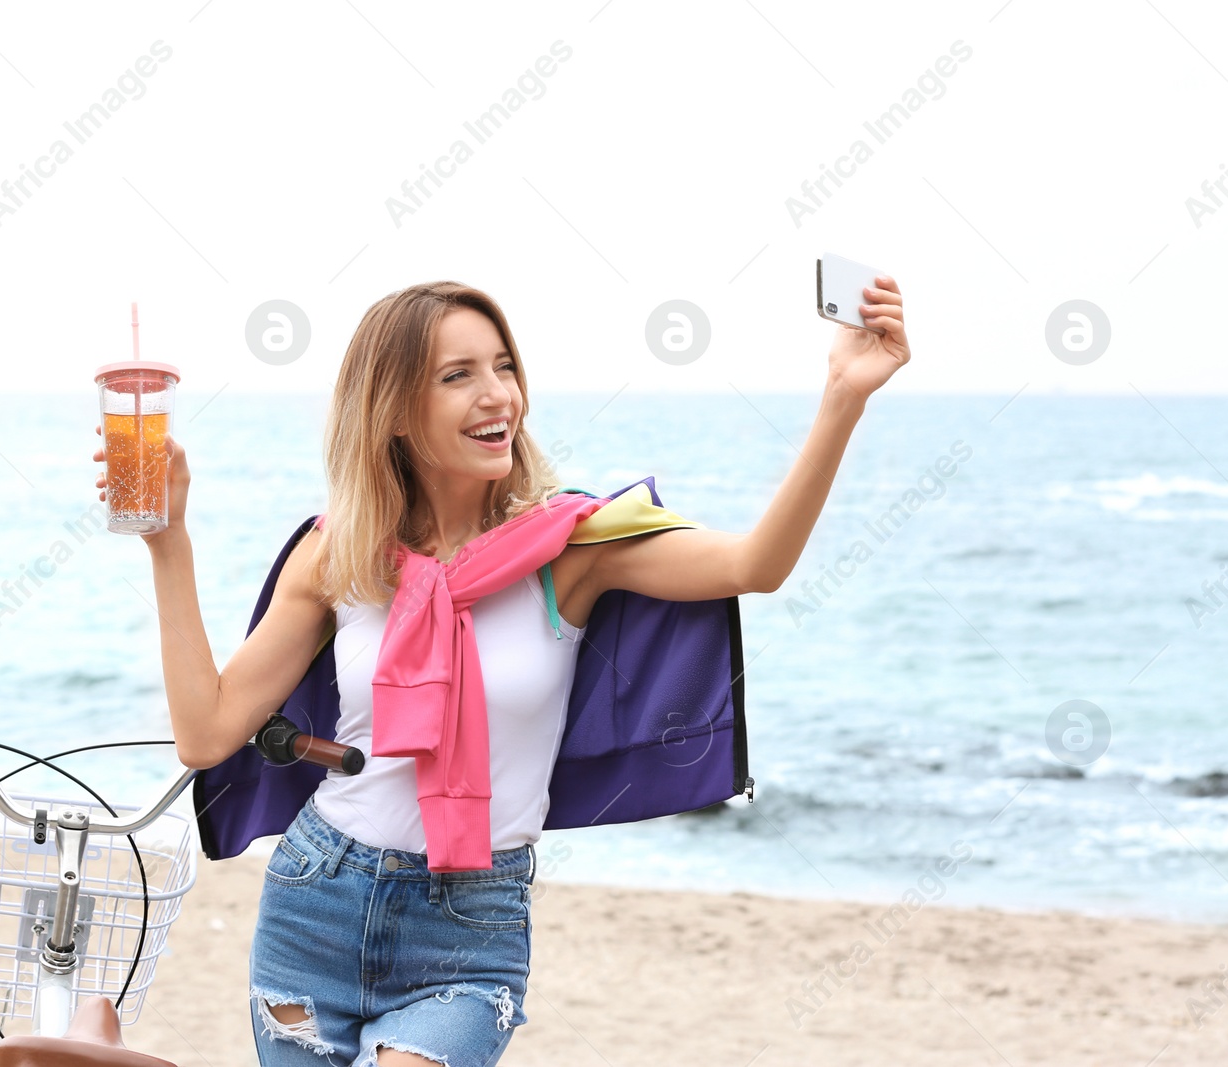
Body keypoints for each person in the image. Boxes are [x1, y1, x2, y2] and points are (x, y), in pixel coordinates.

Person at [91, 279, 909, 1065]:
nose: (498, 395)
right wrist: (169, 540)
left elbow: (753, 564)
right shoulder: (338, 553)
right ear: (397, 413)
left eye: (504, 366)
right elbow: (207, 733)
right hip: (317, 900)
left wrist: (843, 396)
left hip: (470, 926)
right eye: (459, 376)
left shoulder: (571, 547)